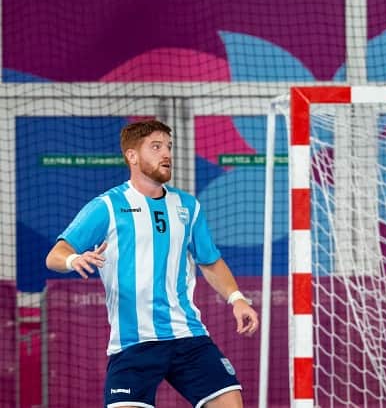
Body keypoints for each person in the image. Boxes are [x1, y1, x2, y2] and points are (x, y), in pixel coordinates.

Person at [45, 120, 259, 408]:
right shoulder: (107, 206)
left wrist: (237, 299)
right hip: (133, 343)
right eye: (156, 147)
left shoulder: (188, 206)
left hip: (187, 336)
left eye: (168, 146)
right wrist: (74, 259)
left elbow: (210, 261)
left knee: (231, 403)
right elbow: (55, 255)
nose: (166, 153)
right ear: (132, 156)